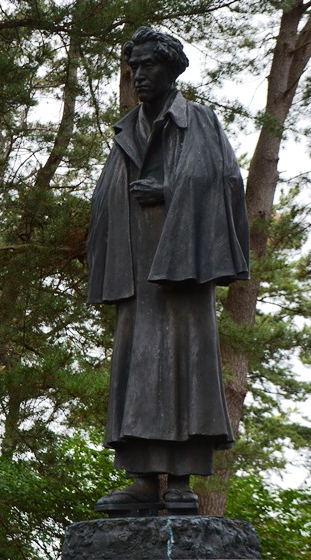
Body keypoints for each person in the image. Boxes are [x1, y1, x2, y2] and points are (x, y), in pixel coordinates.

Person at [87, 27, 249, 514]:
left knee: (186, 366)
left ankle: (180, 480)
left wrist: (168, 190)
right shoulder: (126, 130)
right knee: (137, 366)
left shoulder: (199, 121)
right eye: (133, 66)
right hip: (137, 271)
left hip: (184, 266)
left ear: (171, 68)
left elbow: (225, 182)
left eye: (148, 65)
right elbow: (105, 198)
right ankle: (141, 479)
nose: (138, 74)